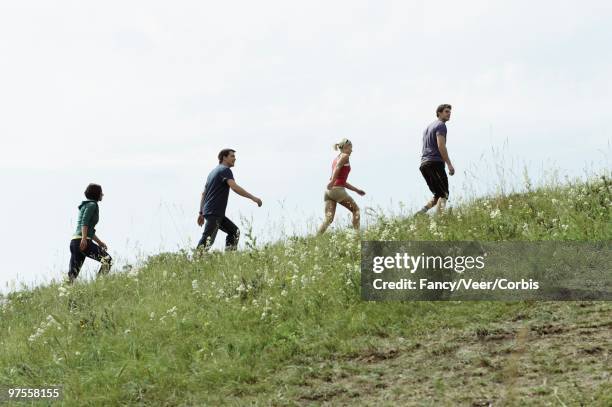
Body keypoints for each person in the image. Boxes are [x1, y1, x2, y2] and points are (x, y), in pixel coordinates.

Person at [197, 149, 262, 251]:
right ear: (224, 157)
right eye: (232, 156)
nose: (234, 158)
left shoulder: (212, 173)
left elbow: (203, 194)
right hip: (214, 212)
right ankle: (195, 260)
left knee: (234, 231)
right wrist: (253, 198)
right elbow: (234, 187)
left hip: (213, 212)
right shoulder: (225, 170)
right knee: (207, 240)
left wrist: (201, 212)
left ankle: (229, 258)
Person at [317, 138, 366, 234]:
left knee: (328, 219)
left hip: (329, 192)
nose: (352, 150)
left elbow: (343, 181)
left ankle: (315, 239)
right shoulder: (345, 156)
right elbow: (338, 167)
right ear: (345, 147)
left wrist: (356, 190)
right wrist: (333, 181)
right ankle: (357, 237)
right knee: (356, 210)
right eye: (350, 148)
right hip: (337, 190)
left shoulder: (336, 158)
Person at [68, 183, 112, 283]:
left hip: (75, 241)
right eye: (101, 192)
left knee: (73, 274)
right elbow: (85, 222)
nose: (103, 195)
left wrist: (99, 242)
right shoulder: (92, 205)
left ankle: (67, 292)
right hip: (82, 241)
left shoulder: (85, 205)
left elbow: (89, 229)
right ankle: (99, 284)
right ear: (96, 194)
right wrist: (84, 239)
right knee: (107, 260)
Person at [417, 104, 455, 215]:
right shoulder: (441, 125)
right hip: (434, 163)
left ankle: (419, 214)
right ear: (439, 113)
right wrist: (449, 164)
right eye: (446, 111)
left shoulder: (428, 128)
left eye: (450, 112)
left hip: (424, 165)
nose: (449, 114)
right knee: (444, 194)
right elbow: (441, 146)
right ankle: (440, 220)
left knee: (438, 194)